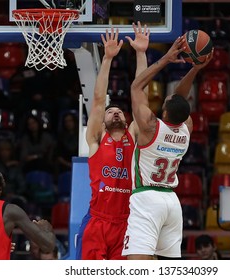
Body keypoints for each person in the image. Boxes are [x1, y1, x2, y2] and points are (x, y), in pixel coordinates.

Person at [122, 36, 214, 260]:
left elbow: (136, 87)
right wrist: (196, 69)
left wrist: (166, 58)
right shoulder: (186, 129)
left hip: (147, 198)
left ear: (164, 112)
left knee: (137, 267)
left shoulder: (150, 128)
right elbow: (180, 99)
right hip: (172, 203)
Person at [75, 22, 149, 260]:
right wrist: (107, 59)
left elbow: (141, 98)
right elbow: (97, 101)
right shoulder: (97, 139)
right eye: (110, 112)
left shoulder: (133, 136)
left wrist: (141, 52)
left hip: (125, 223)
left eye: (119, 111)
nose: (115, 112)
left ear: (127, 121)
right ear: (103, 122)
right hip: (98, 221)